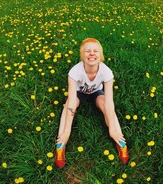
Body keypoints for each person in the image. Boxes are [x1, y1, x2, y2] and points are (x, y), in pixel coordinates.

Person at [55, 38, 129, 168]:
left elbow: (110, 101)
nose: (92, 54)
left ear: (100, 56)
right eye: (87, 51)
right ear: (82, 56)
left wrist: (111, 127)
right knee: (67, 106)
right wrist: (67, 131)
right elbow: (72, 101)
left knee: (106, 104)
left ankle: (120, 140)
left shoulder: (107, 72)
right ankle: (61, 144)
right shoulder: (74, 72)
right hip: (79, 94)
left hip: (96, 94)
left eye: (95, 51)